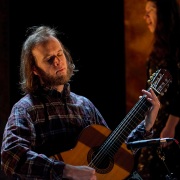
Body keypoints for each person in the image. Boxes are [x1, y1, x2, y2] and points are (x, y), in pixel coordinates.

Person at [1, 25, 160, 180]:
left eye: (59, 54)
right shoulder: (26, 109)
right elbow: (11, 157)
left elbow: (116, 153)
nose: (58, 61)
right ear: (35, 70)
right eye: (49, 59)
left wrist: (147, 124)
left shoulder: (84, 105)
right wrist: (66, 170)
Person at [135, 0, 180, 179]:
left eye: (150, 11)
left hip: (171, 127)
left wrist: (170, 127)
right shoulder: (158, 49)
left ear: (163, 15)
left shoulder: (177, 47)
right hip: (155, 125)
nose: (145, 17)